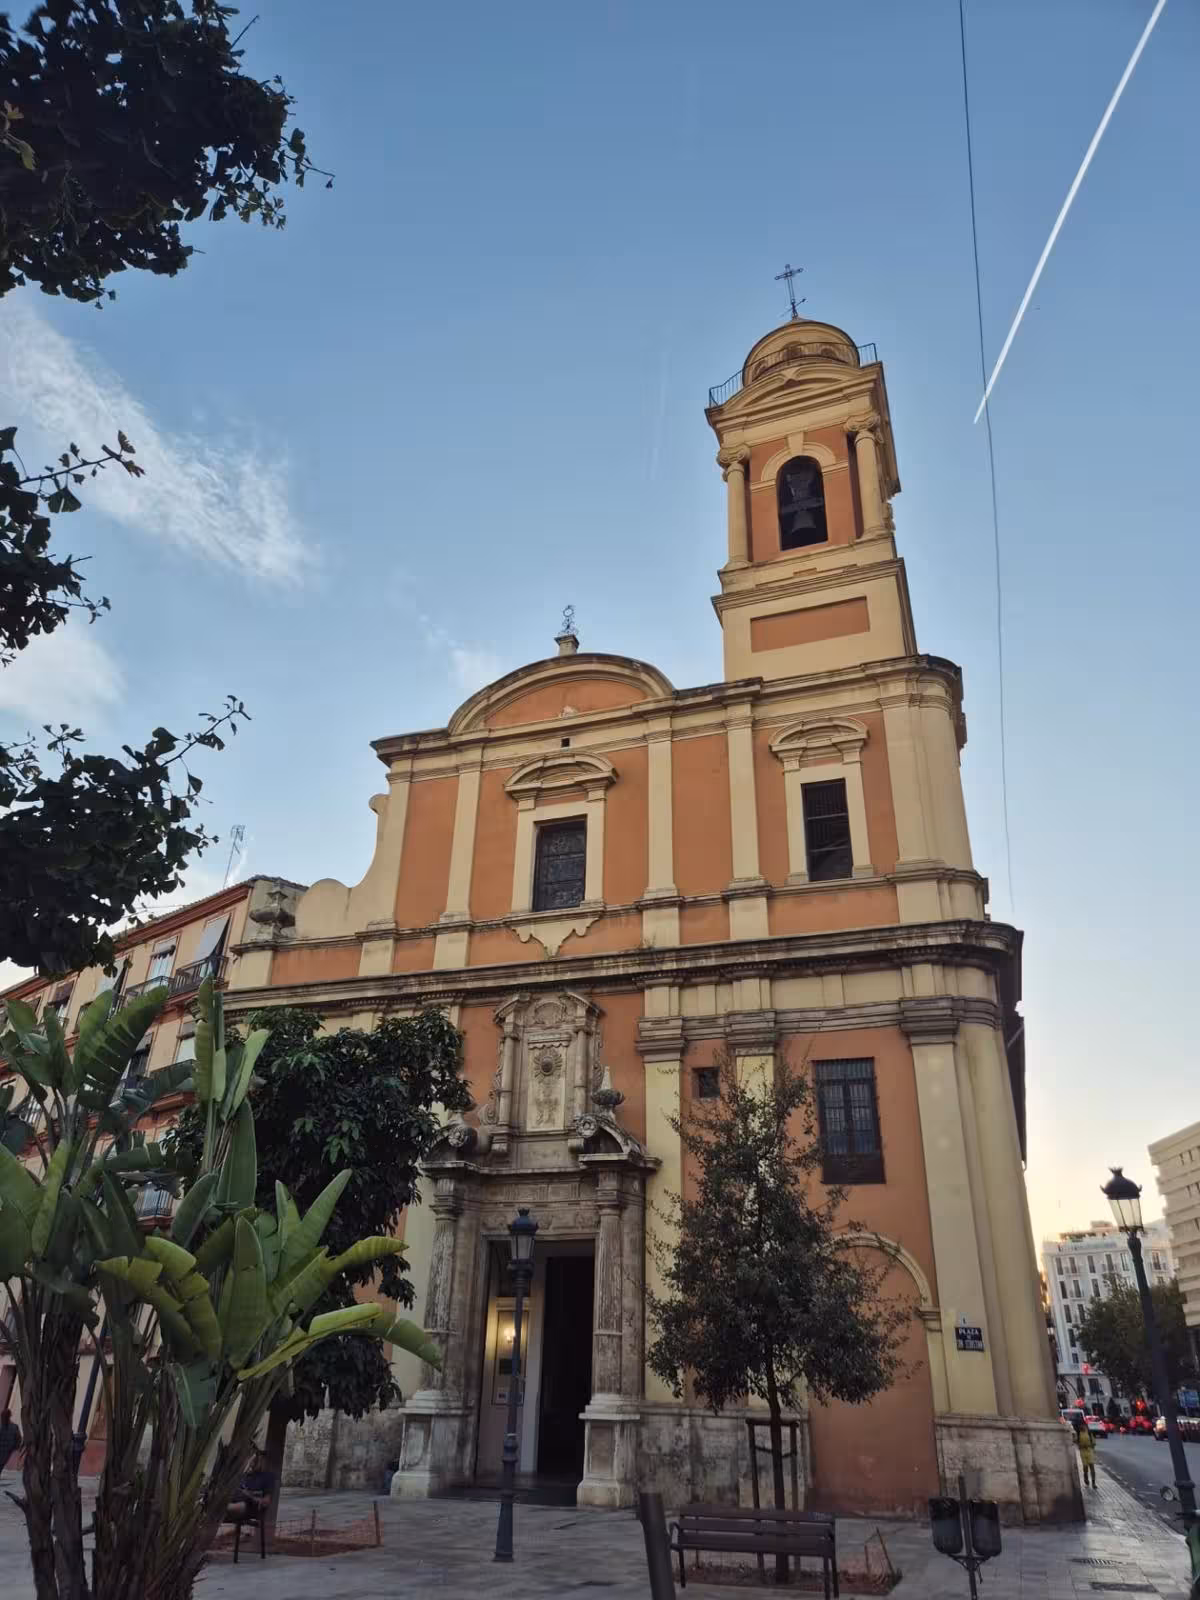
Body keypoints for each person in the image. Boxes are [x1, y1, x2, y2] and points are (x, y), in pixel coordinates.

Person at [227, 1449, 274, 1523]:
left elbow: (266, 1502)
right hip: (238, 1502)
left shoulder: (267, 1477)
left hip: (250, 1507)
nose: (253, 1463)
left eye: (257, 1460)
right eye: (253, 1460)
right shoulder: (246, 1475)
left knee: (227, 1508)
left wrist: (251, 1497)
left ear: (263, 1462)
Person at [1076, 1419, 1097, 1489]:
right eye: (1080, 1426)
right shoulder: (1078, 1433)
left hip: (1089, 1450)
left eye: (1082, 1425)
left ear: (1085, 1425)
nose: (1081, 1427)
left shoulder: (1089, 1432)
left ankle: (1093, 1483)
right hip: (1083, 1451)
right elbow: (1075, 1441)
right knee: (1085, 1467)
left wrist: (1092, 1446)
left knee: (1092, 1466)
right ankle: (1086, 1478)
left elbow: (1094, 1442)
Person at [0, 1408, 21, 1477]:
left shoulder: (14, 1427)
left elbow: (18, 1439)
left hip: (6, 1451)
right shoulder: (14, 1427)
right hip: (7, 1451)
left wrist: (13, 1448)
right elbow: (18, 1439)